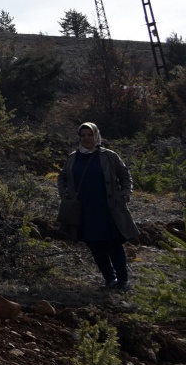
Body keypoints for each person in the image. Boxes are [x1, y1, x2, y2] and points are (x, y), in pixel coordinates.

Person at [57, 123, 139, 291]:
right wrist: (64, 193)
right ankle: (109, 278)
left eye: (90, 135)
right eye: (83, 135)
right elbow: (62, 176)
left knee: (113, 244)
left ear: (96, 136)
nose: (87, 138)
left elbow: (125, 174)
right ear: (79, 138)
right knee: (94, 244)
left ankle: (123, 281)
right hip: (84, 209)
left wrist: (125, 192)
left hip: (108, 207)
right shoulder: (73, 157)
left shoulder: (108, 156)